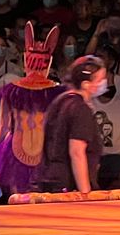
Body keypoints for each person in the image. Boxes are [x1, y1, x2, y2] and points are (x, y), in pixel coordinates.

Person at [0, 23, 64, 195]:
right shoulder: (57, 93)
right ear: (49, 64)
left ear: (25, 61)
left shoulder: (11, 91)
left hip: (16, 150)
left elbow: (4, 127)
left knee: (18, 196)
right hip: (45, 154)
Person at [33, 56, 106, 194]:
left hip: (51, 179)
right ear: (86, 84)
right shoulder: (80, 109)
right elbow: (77, 152)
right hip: (68, 186)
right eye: (100, 80)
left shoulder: (60, 101)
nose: (103, 83)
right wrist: (85, 193)